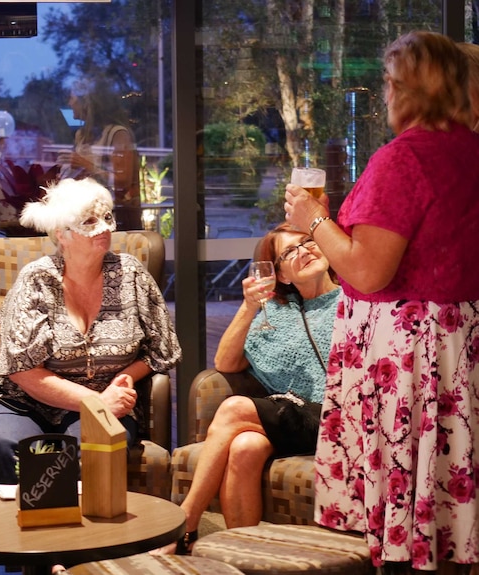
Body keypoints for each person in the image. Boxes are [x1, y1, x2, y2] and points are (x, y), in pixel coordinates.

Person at [284, 31, 479, 574]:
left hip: (406, 353)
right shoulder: (470, 152)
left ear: (415, 90)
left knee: (399, 522)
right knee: (443, 511)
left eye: (391, 83)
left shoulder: (404, 158)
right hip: (456, 345)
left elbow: (368, 269)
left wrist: (312, 220)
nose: (386, 95)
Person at [0, 177, 181, 485]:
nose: (105, 228)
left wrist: (125, 378)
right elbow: (23, 370)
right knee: (5, 446)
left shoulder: (131, 273)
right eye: (89, 221)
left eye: (108, 218)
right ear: (63, 234)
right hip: (27, 404)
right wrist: (95, 401)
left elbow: (162, 350)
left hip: (107, 398)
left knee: (95, 449)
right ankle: (26, 529)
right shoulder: (36, 280)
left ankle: (91, 532)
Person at [153, 222, 341, 555]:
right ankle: (245, 556)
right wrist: (249, 306)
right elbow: (225, 363)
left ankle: (184, 524)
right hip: (295, 416)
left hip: (339, 416)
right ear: (280, 275)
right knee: (245, 446)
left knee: (235, 408)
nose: (304, 251)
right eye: (290, 251)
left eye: (308, 242)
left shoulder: (353, 300)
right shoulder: (277, 314)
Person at [60, 78, 141, 231]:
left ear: (87, 102)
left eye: (72, 98)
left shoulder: (117, 134)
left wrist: (85, 165)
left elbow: (122, 181)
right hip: (86, 216)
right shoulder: (81, 135)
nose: (70, 103)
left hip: (114, 218)